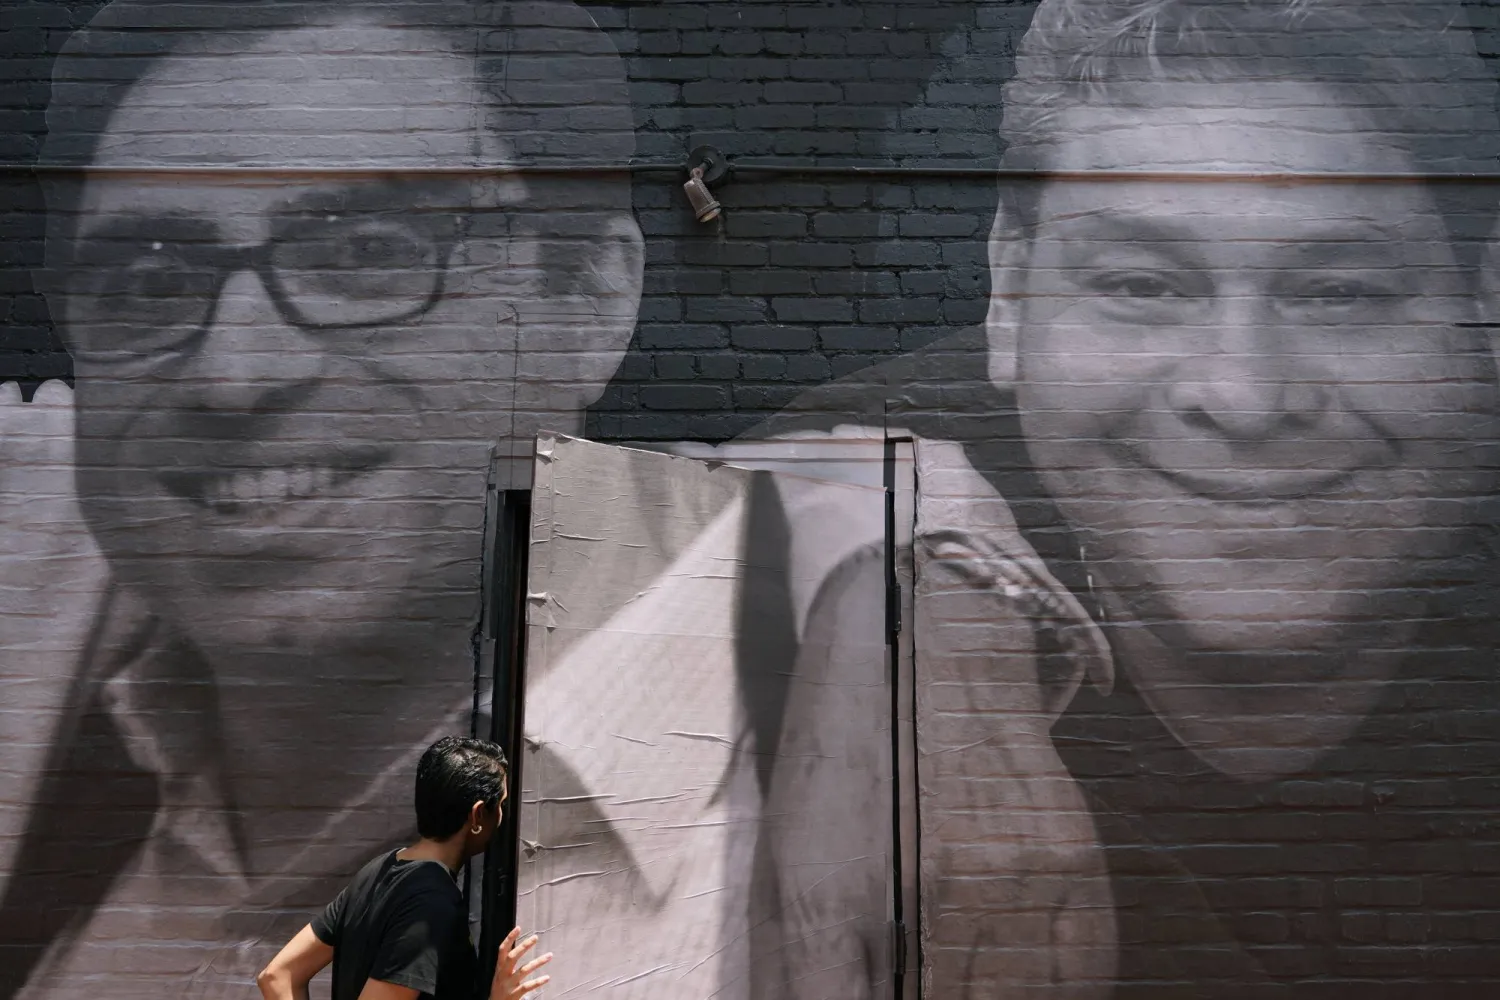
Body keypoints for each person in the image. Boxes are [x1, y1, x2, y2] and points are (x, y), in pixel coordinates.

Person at [748, 0, 1500, 995]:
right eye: (1144, 285)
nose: (1241, 394)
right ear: (1008, 297)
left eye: (1342, 292)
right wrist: (908, 605)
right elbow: (762, 470)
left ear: (1485, 305)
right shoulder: (908, 442)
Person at [0, 2, 642, 997]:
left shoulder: (804, 716)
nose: (235, 374)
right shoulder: (48, 731)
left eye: (365, 256)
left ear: (591, 301)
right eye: (150, 280)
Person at [256, 737, 550, 1000]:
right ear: (476, 816)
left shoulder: (377, 871)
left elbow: (279, 976)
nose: (501, 817)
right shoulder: (432, 902)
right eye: (500, 805)